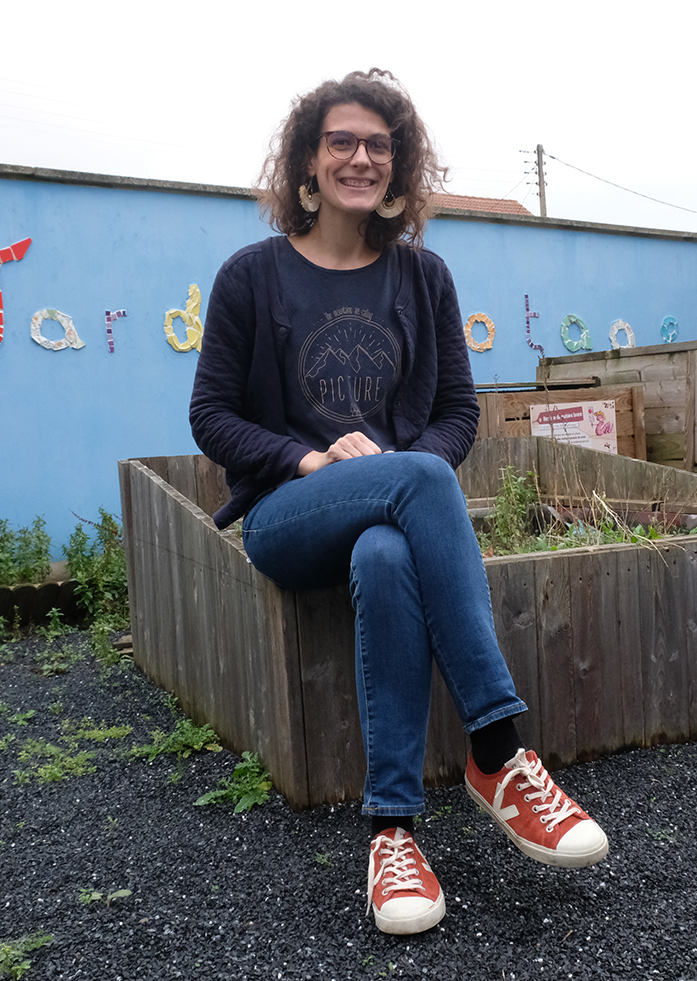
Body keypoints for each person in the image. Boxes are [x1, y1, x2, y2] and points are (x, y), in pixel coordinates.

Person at [188, 68, 608, 936]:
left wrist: (402, 468)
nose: (360, 157)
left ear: (398, 165)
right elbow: (210, 416)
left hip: (389, 518)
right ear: (308, 161)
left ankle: (392, 835)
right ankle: (497, 752)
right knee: (418, 477)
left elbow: (459, 413)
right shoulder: (250, 277)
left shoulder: (423, 277)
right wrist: (307, 460)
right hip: (286, 515)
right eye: (340, 140)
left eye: (378, 145)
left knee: (387, 549)